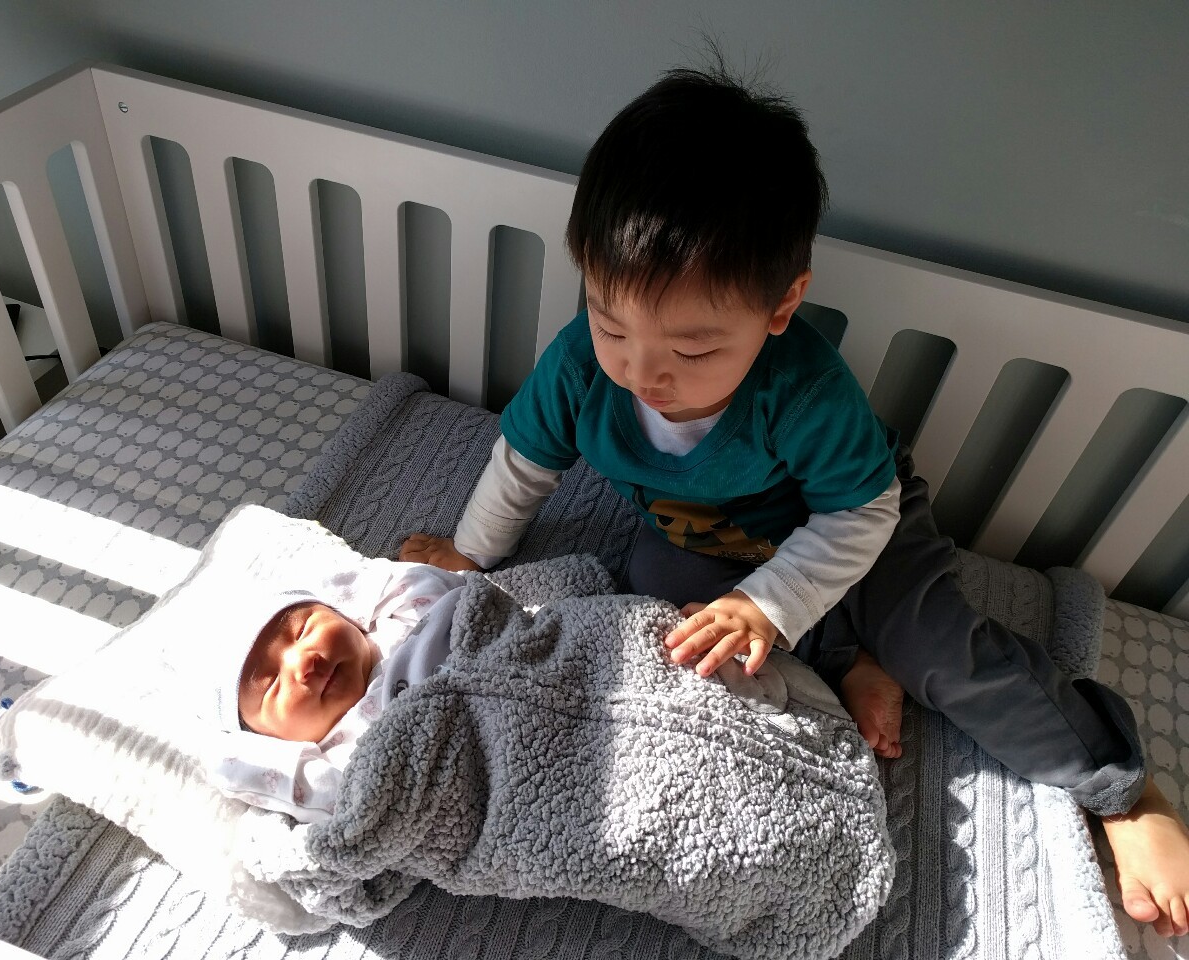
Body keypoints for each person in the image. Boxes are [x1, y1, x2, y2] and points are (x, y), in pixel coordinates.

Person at [399, 63, 1189, 937]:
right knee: (656, 585)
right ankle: (846, 655)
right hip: (715, 543)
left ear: (781, 308)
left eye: (693, 352)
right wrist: (472, 556)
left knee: (935, 647)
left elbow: (862, 512)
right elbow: (523, 462)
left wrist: (770, 601)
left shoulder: (805, 392)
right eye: (610, 321)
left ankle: (1121, 787)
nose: (644, 371)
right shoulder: (584, 367)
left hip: (858, 528)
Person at [195, 559, 464, 823]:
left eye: (302, 630)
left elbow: (440, 592)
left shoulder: (398, 628)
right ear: (268, 740)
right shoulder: (333, 762)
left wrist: (351, 591)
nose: (303, 661)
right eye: (272, 684)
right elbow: (356, 811)